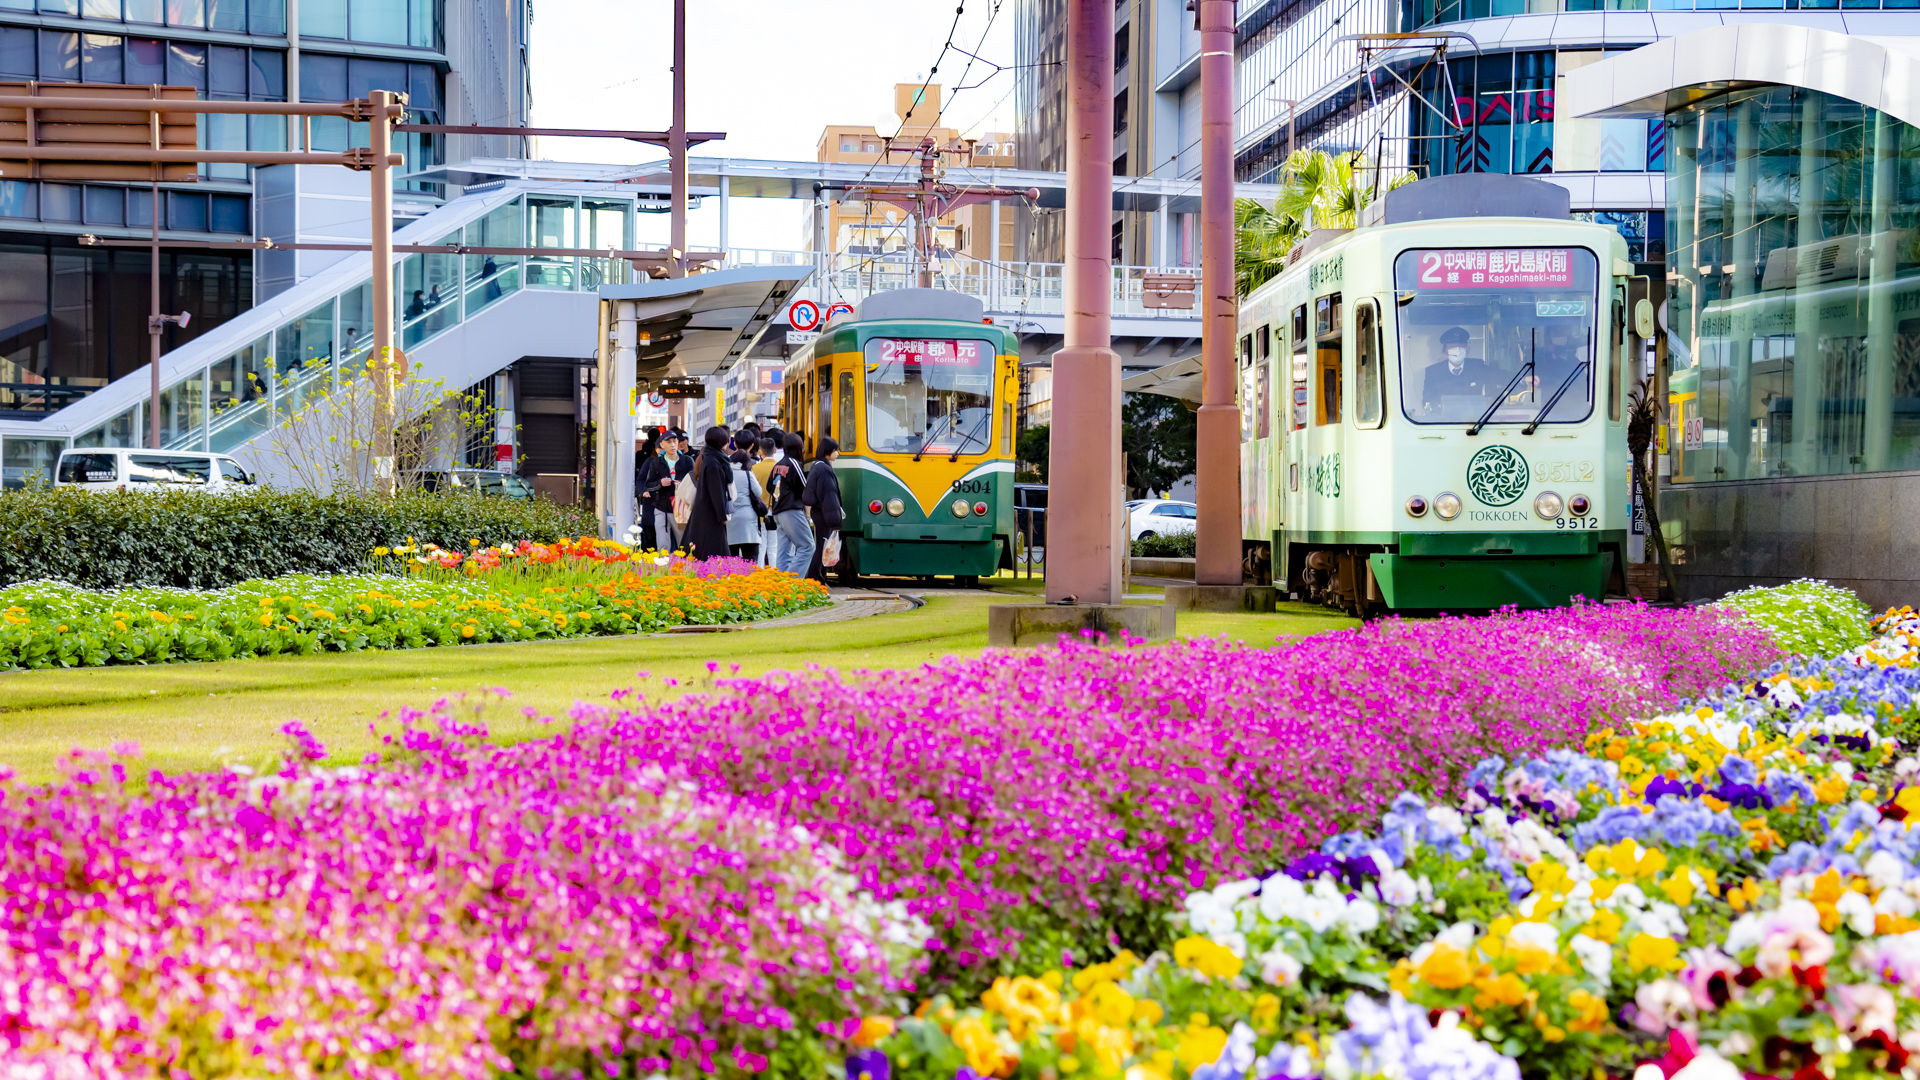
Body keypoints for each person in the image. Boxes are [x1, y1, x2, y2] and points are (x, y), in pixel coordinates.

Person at [682, 426, 734, 560]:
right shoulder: (714, 462)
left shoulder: (711, 458)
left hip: (706, 512)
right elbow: (716, 491)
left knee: (709, 550)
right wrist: (722, 515)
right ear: (721, 441)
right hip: (711, 514)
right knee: (714, 551)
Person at [1421, 326, 1493, 417]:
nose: (1457, 350)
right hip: (1444, 422)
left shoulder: (1478, 367)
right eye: (1452, 347)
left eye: (1461, 346)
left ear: (1467, 350)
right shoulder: (1433, 372)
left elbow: (1499, 378)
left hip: (1475, 421)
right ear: (1445, 352)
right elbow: (1428, 400)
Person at [769, 432, 813, 577]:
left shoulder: (777, 465)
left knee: (784, 551)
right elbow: (804, 487)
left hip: (778, 511)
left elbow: (771, 486)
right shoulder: (793, 463)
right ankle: (792, 581)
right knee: (807, 546)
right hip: (791, 510)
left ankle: (781, 584)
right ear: (798, 446)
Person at [802, 436, 844, 586]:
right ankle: (815, 580)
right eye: (835, 450)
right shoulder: (825, 470)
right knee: (822, 547)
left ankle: (816, 579)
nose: (837, 453)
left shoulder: (817, 466)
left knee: (821, 545)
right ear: (828, 452)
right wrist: (835, 521)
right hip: (824, 515)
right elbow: (829, 496)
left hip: (818, 513)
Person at [639, 434, 685, 551]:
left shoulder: (687, 461)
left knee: (683, 544)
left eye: (674, 441)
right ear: (661, 445)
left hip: (681, 507)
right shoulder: (654, 462)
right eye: (668, 442)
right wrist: (659, 483)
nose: (672, 444)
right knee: (662, 545)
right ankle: (663, 566)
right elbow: (646, 482)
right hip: (660, 506)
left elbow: (695, 482)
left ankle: (683, 567)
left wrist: (683, 484)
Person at [726, 448, 768, 560]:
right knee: (750, 556)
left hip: (730, 517)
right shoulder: (748, 474)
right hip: (748, 518)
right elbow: (758, 492)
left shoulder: (726, 474)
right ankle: (749, 576)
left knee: (731, 557)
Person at [752, 436, 780, 566]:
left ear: (760, 452)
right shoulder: (780, 468)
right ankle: (774, 573)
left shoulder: (754, 469)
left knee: (761, 547)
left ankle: (760, 575)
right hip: (776, 511)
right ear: (774, 450)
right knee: (774, 548)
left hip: (759, 512)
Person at [633, 431, 659, 550]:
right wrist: (643, 491)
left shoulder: (680, 461)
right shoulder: (650, 461)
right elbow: (640, 479)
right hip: (651, 501)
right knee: (650, 536)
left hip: (667, 505)